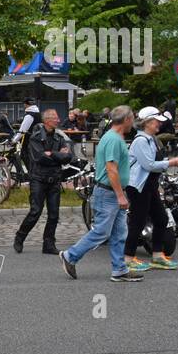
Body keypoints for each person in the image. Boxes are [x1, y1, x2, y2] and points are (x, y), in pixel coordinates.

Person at [60, 106, 143, 283]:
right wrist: (121, 195)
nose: (133, 123)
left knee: (119, 233)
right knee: (102, 232)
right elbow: (111, 169)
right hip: (109, 193)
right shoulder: (113, 139)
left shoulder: (113, 137)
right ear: (126, 120)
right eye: (132, 119)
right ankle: (70, 256)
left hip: (112, 192)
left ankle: (119, 270)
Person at [124, 107, 178, 272]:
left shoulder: (151, 139)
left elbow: (156, 161)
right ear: (147, 123)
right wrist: (172, 162)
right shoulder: (141, 141)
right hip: (139, 186)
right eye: (156, 121)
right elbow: (149, 165)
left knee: (161, 218)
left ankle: (157, 256)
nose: (159, 124)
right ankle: (128, 258)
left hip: (149, 185)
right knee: (137, 222)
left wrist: (173, 161)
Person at [13, 109, 74, 255]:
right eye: (55, 118)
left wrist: (52, 154)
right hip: (38, 179)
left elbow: (68, 156)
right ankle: (19, 237)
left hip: (54, 179)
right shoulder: (36, 137)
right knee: (35, 211)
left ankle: (48, 244)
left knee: (54, 214)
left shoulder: (59, 136)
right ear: (47, 120)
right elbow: (39, 157)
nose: (58, 120)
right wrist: (58, 156)